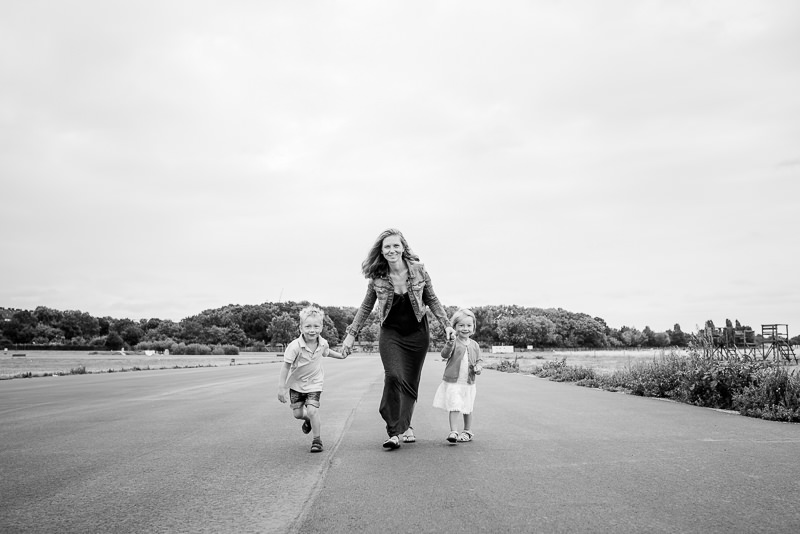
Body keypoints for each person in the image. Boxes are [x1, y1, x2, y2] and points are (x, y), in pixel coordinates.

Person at [342, 228, 455, 449]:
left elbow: (432, 299)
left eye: (396, 245)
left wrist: (447, 325)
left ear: (403, 247)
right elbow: (366, 307)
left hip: (417, 333)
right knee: (393, 376)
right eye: (387, 247)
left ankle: (406, 425)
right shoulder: (378, 277)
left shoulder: (420, 271)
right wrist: (350, 335)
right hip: (391, 332)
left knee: (410, 383)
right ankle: (393, 432)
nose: (392, 250)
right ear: (382, 251)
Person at [278, 305, 346, 453]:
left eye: (316, 326)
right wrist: (281, 387)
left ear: (321, 327)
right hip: (296, 385)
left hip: (315, 384)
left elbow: (327, 353)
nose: (312, 330)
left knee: (313, 411)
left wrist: (341, 356)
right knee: (297, 414)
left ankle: (317, 440)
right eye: (308, 326)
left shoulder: (323, 343)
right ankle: (308, 420)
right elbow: (286, 367)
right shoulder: (294, 346)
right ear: (301, 327)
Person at [433, 308, 483, 444]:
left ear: (473, 327)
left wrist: (478, 367)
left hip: (469, 382)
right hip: (453, 382)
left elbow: (479, 360)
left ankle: (467, 431)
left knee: (467, 407)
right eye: (461, 325)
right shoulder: (453, 342)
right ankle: (453, 431)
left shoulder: (475, 345)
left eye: (468, 325)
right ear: (454, 327)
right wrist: (449, 343)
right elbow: (444, 355)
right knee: (454, 405)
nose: (465, 328)